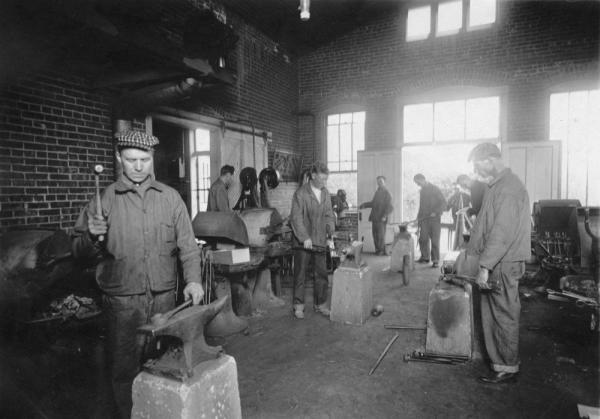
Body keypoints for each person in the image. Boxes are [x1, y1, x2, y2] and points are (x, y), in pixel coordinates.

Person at [72, 130, 204, 418]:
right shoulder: (104, 199)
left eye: (144, 159)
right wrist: (92, 238)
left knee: (164, 366)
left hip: (164, 301)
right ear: (119, 158)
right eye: (131, 159)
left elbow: (188, 246)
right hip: (122, 304)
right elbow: (78, 253)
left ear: (152, 158)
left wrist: (193, 279)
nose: (138, 166)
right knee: (123, 371)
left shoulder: (170, 198)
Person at [466, 143, 531, 384]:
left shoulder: (508, 189)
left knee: (502, 314)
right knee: (494, 313)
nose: (476, 170)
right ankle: (502, 362)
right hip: (500, 261)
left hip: (503, 263)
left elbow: (501, 233)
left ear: (490, 160)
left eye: (477, 164)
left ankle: (506, 367)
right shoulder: (498, 186)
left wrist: (484, 267)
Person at [289, 161, 335, 319]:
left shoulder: (325, 193)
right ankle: (298, 305)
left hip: (320, 240)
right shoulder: (300, 193)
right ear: (313, 176)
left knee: (321, 273)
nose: (324, 182)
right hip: (303, 242)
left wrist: (330, 230)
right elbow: (296, 218)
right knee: (300, 274)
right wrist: (304, 238)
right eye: (322, 178)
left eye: (326, 179)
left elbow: (329, 214)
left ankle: (320, 304)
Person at [413, 173, 446, 268]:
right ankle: (425, 257)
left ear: (423, 179)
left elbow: (444, 203)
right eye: (416, 183)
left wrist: (436, 212)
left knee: (435, 240)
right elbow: (421, 206)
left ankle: (435, 260)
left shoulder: (435, 189)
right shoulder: (422, 191)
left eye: (418, 183)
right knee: (422, 239)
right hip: (424, 219)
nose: (418, 185)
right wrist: (418, 218)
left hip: (434, 219)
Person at [359, 176, 394, 256]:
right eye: (378, 182)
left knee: (380, 235)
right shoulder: (378, 192)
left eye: (381, 181)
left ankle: (381, 250)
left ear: (385, 182)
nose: (379, 183)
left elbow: (390, 207)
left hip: (381, 218)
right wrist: (363, 205)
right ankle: (378, 250)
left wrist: (384, 216)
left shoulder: (387, 193)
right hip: (375, 217)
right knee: (375, 234)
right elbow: (373, 203)